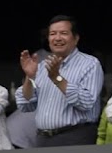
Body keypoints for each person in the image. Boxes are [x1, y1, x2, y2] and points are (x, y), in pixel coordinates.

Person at [15, 15, 104, 146]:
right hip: (43, 139)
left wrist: (56, 78)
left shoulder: (90, 64)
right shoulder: (41, 66)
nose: (57, 38)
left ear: (75, 38)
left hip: (75, 137)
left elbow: (86, 102)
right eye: (52, 34)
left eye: (63, 33)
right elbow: (25, 104)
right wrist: (30, 77)